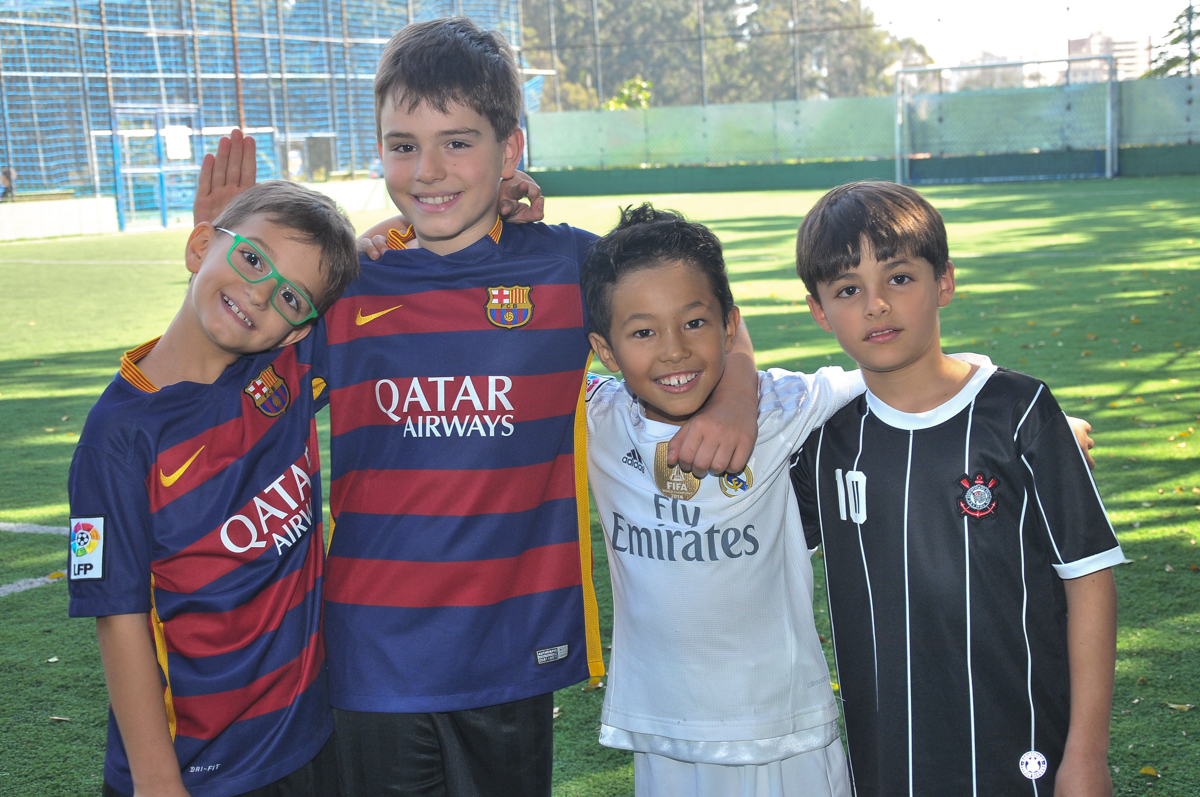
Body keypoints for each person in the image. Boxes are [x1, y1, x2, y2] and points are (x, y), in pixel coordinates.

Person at [308, 18, 759, 797]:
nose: (429, 170)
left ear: (510, 151)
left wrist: (739, 397)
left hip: (510, 650)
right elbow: (234, 380)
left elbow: (705, 302)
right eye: (403, 145)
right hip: (370, 653)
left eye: (458, 142)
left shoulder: (564, 265)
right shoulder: (347, 287)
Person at [788, 181, 1123, 796]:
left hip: (1023, 742)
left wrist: (1088, 754)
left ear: (943, 282)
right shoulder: (826, 441)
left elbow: (1089, 578)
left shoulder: (1020, 415)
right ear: (819, 310)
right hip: (887, 757)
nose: (876, 306)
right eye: (847, 290)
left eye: (899, 278)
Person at [67, 181, 358, 797]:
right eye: (252, 258)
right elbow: (118, 619)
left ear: (296, 331)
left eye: (287, 296)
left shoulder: (288, 370)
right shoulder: (116, 440)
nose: (258, 293)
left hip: (305, 742)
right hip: (194, 770)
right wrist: (156, 783)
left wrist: (495, 195)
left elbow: (382, 253)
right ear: (201, 245)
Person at [580, 203, 866, 797]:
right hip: (664, 732)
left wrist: (1027, 435)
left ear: (728, 326)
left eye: (694, 323)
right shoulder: (597, 417)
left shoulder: (780, 406)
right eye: (642, 332)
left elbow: (906, 380)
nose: (674, 351)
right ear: (605, 352)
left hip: (784, 729)